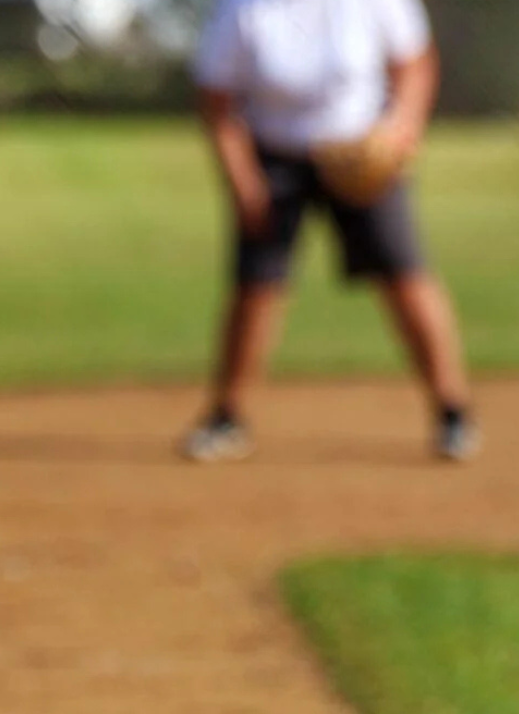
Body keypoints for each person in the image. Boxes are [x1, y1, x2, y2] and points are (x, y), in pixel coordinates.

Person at [183, 0, 477, 463]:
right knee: (256, 285)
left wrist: (401, 131)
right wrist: (242, 180)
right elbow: (218, 102)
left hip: (363, 150)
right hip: (275, 157)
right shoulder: (243, 9)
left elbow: (415, 65)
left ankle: (452, 411)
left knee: (405, 275)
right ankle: (227, 415)